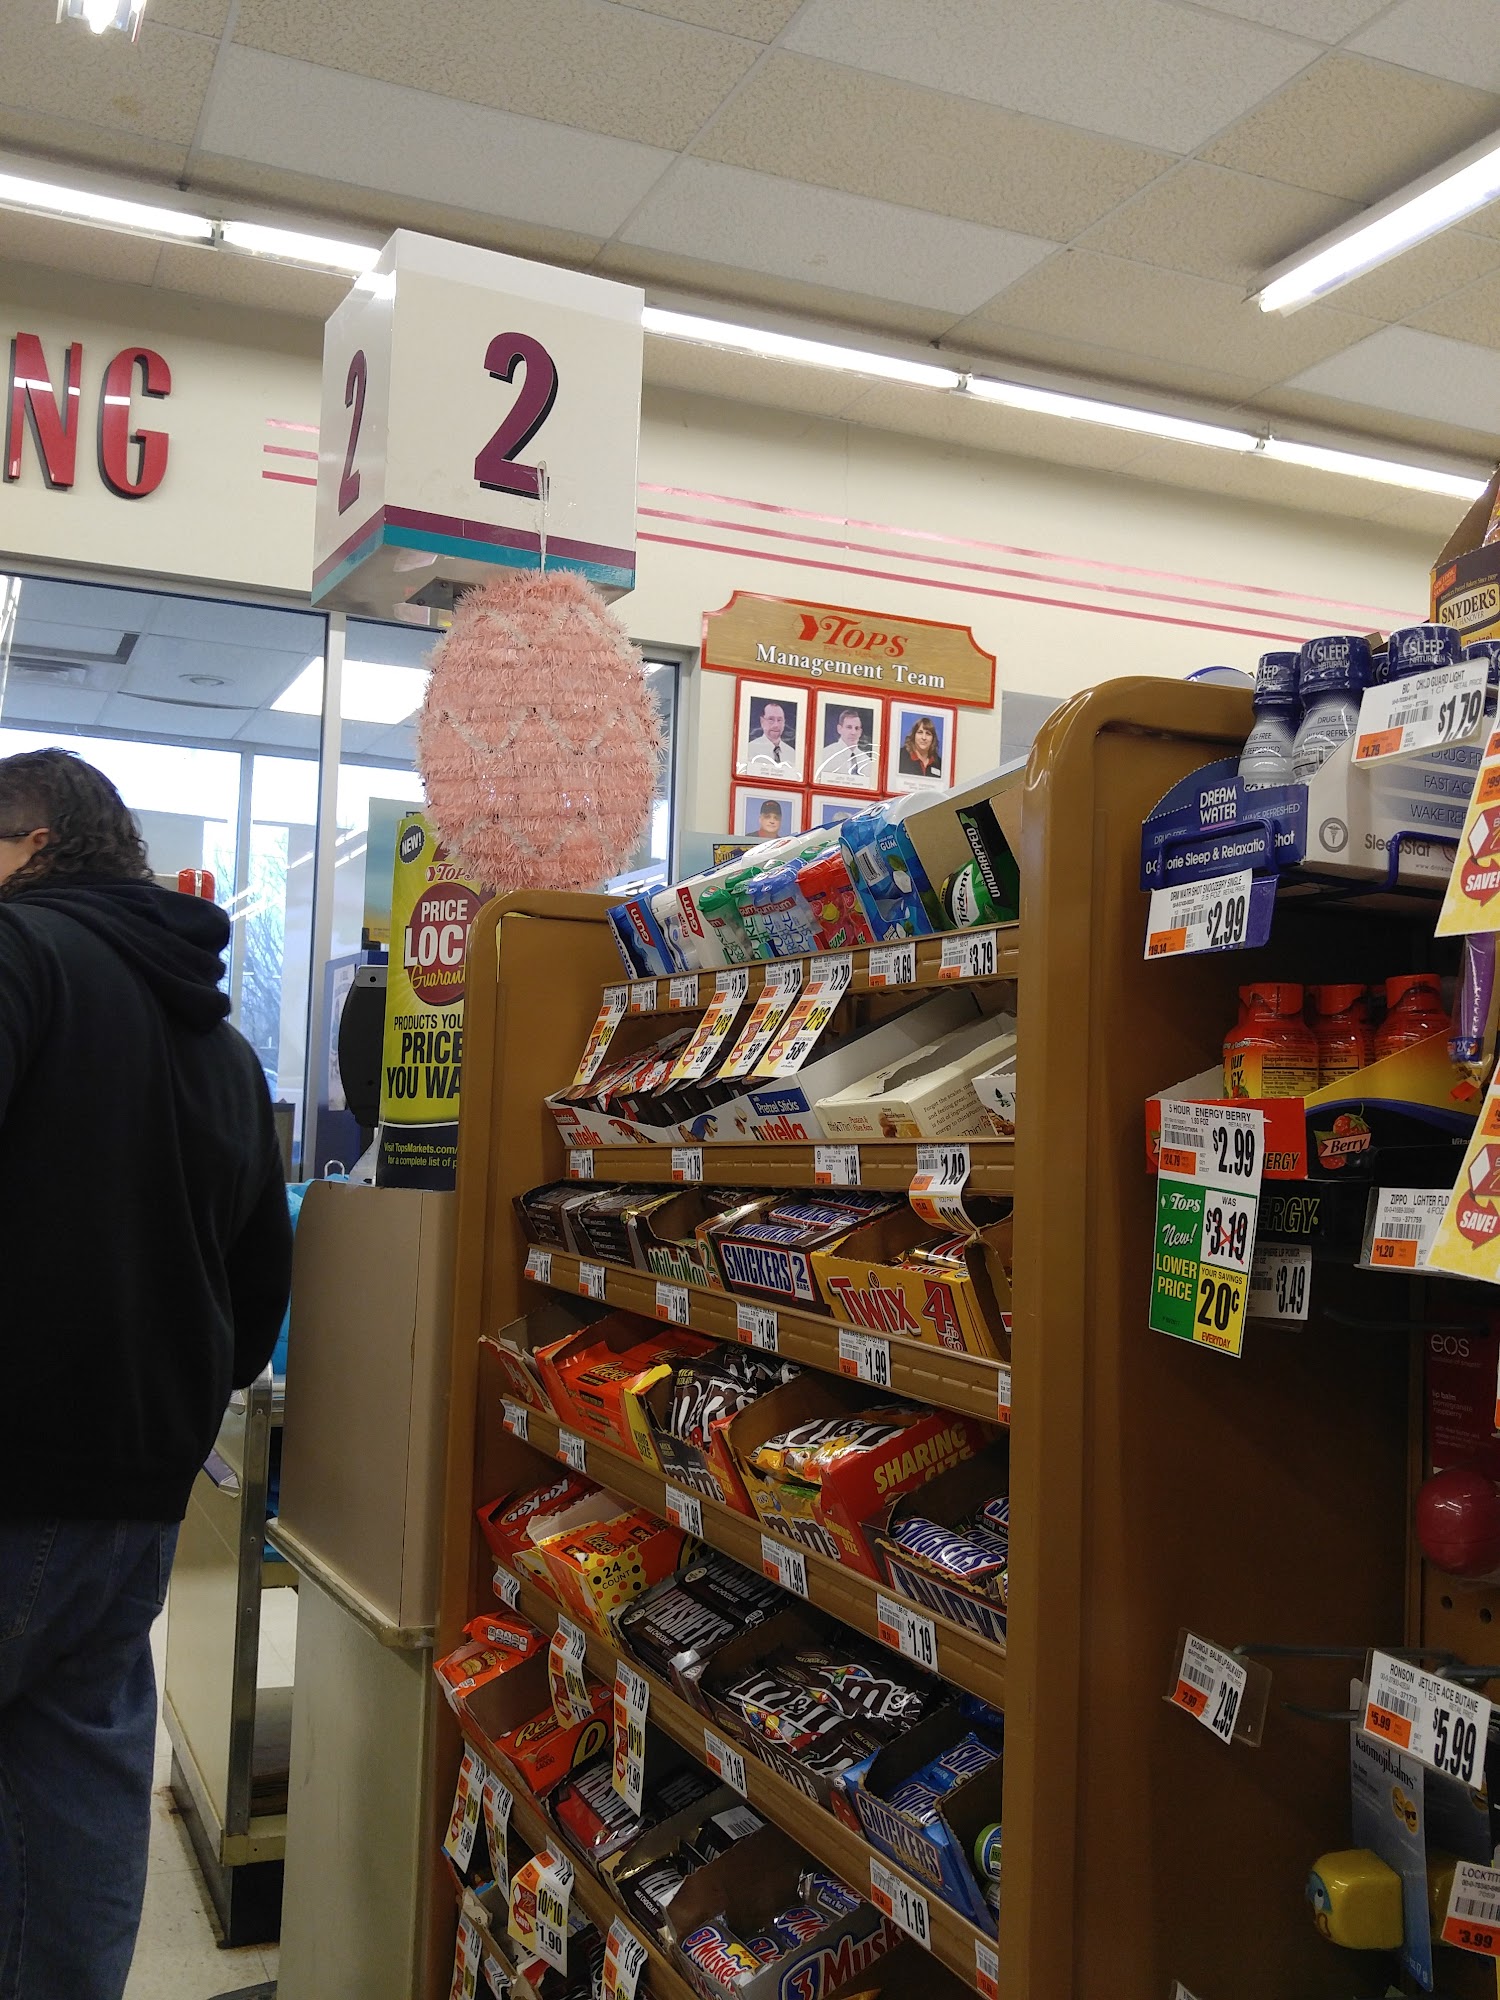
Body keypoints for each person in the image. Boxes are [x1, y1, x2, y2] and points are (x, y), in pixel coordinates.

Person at [0, 749, 293, 2000]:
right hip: (136, 1502)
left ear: (30, 843)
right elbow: (258, 1285)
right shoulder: (221, 1046)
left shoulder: (18, 954)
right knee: (71, 1800)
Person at [815, 708, 875, 784]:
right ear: (839, 729)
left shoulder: (866, 761)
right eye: (849, 727)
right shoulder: (825, 755)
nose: (853, 732)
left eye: (857, 728)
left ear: (860, 732)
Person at [742, 700, 798, 776]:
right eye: (771, 719)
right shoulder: (749, 750)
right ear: (762, 721)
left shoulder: (792, 753)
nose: (776, 725)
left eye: (779, 720)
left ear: (784, 722)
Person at [899, 715, 944, 779]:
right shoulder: (900, 756)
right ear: (914, 735)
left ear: (933, 738)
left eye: (928, 734)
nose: (924, 737)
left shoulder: (940, 764)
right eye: (920, 732)